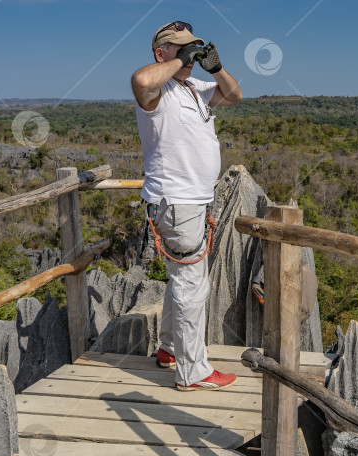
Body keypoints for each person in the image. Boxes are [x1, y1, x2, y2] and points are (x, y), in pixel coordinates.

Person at [130, 21, 242, 391]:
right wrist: (179, 62)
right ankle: (194, 372)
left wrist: (216, 68)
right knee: (193, 286)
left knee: (181, 281)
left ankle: (168, 349)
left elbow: (234, 95)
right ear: (160, 53)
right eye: (179, 48)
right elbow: (141, 82)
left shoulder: (194, 87)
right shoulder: (157, 93)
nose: (189, 55)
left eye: (192, 48)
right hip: (178, 203)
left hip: (191, 201)